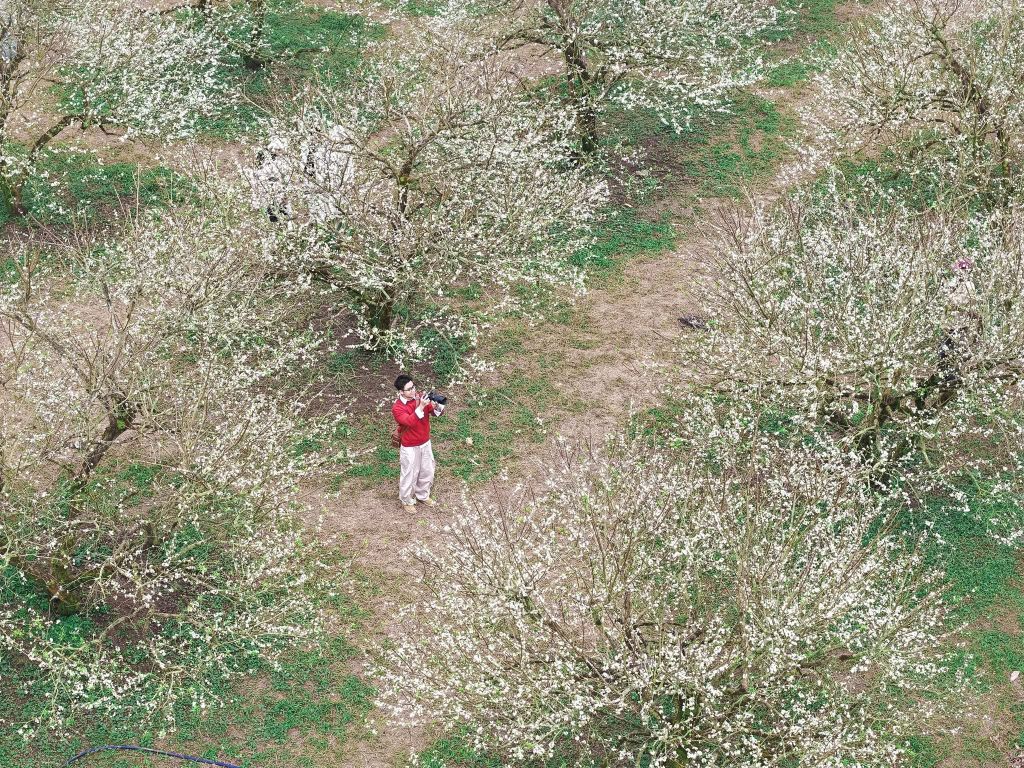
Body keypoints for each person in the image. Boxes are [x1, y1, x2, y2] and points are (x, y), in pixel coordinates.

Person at [392, 374, 445, 511]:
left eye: (413, 387)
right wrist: (421, 406)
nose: (413, 391)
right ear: (401, 392)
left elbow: (436, 413)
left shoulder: (420, 397)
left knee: (427, 470)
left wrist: (437, 405)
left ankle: (423, 495)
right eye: (409, 389)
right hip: (409, 446)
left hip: (425, 442)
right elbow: (409, 421)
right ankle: (406, 501)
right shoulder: (397, 408)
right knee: (409, 474)